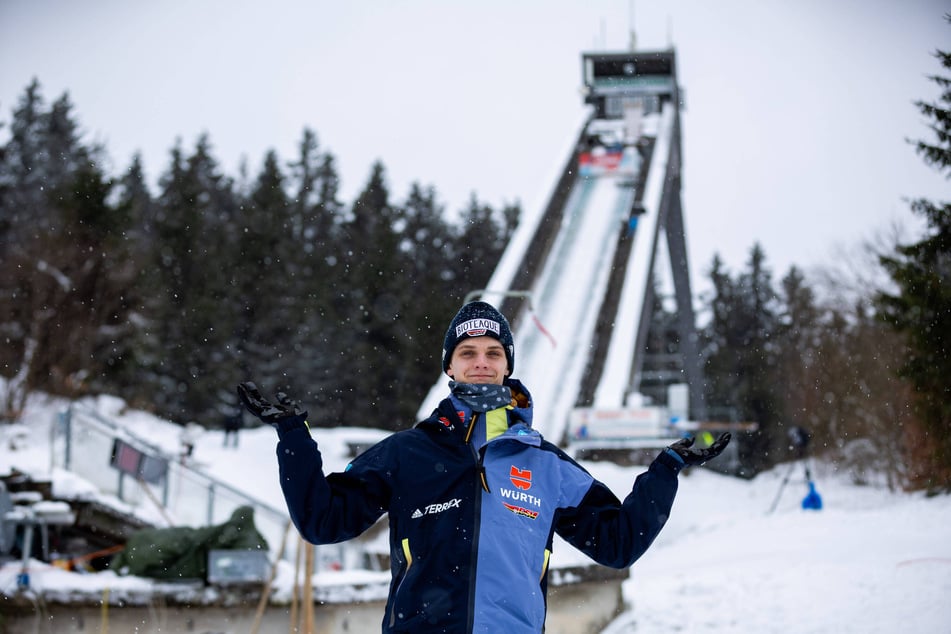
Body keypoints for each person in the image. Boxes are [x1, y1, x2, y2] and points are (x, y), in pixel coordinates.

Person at [238, 301, 730, 633]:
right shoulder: (409, 453)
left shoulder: (544, 464)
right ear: (449, 367)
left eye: (493, 353)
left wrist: (665, 470)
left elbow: (618, 544)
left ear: (507, 366)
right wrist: (294, 438)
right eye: (467, 352)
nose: (480, 362)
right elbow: (324, 521)